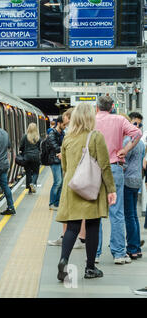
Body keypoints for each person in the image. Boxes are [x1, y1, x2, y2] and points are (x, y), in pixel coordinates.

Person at [56, 103, 116, 281]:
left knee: (72, 227)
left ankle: (63, 260)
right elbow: (104, 165)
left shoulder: (68, 138)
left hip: (72, 186)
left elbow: (64, 166)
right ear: (90, 117)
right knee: (92, 226)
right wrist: (111, 189)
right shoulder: (95, 136)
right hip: (91, 187)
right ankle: (90, 268)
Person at [95, 95, 142, 264]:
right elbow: (137, 133)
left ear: (97, 107)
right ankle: (118, 253)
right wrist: (126, 149)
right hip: (115, 168)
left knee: (96, 213)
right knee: (117, 211)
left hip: (94, 170)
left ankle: (95, 253)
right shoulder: (119, 120)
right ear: (112, 106)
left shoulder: (91, 121)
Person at [48, 109, 86, 249]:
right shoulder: (90, 134)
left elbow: (67, 162)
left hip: (73, 177)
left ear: (70, 118)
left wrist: (63, 156)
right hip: (84, 178)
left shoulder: (71, 135)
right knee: (83, 210)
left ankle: (68, 238)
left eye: (64, 117)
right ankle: (81, 238)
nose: (63, 120)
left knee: (68, 209)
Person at [122, 112, 144, 260]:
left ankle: (133, 248)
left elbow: (124, 162)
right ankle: (136, 246)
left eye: (139, 124)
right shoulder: (141, 142)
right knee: (134, 215)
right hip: (137, 181)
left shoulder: (128, 141)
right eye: (134, 124)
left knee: (129, 216)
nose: (136, 126)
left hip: (127, 180)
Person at [46, 115, 70, 211]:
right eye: (64, 125)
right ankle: (52, 203)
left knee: (62, 182)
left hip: (61, 160)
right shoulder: (52, 134)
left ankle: (58, 203)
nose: (65, 126)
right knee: (58, 182)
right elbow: (55, 147)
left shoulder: (63, 133)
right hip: (54, 161)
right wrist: (63, 150)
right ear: (59, 123)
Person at [19, 123, 41, 194]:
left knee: (28, 172)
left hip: (27, 157)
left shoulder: (25, 137)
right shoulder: (38, 138)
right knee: (36, 172)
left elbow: (21, 147)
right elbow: (40, 148)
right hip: (36, 157)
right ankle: (33, 183)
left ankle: (29, 190)